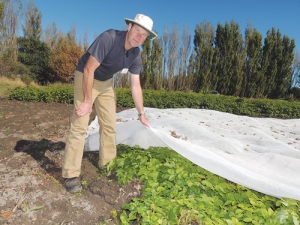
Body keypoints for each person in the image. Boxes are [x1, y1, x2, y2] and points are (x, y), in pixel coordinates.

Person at [62, 14, 157, 193]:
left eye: (144, 35)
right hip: (85, 76)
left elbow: (135, 85)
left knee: (109, 125)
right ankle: (70, 174)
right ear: (129, 27)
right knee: (80, 125)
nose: (139, 36)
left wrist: (141, 114)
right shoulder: (110, 38)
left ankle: (107, 164)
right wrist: (88, 102)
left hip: (105, 83)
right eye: (137, 30)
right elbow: (89, 68)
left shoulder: (136, 54)